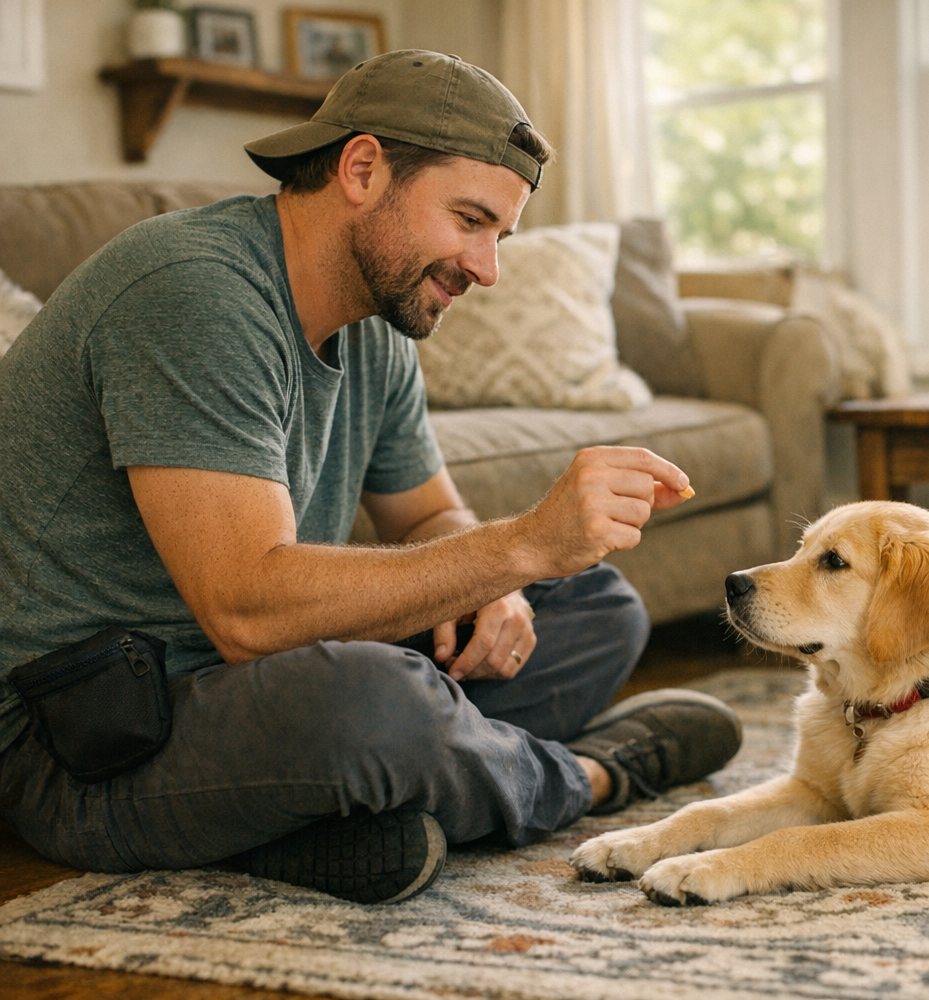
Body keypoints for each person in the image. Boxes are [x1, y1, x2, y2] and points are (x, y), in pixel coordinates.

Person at [0, 50, 742, 905]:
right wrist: (518, 546)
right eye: (468, 220)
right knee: (376, 703)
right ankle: (584, 777)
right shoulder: (194, 291)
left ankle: (331, 811)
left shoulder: (378, 325)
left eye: (499, 235)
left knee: (597, 608)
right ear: (361, 168)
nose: (486, 267)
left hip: (247, 689)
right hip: (84, 742)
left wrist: (495, 583)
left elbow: (427, 515)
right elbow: (246, 607)